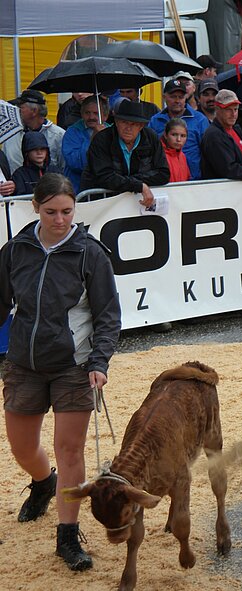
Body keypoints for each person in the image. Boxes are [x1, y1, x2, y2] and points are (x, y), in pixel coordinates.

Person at [0, 172, 121, 570]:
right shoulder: (15, 249)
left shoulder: (90, 253)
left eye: (67, 211)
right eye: (50, 211)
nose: (60, 220)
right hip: (23, 362)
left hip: (75, 365)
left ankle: (67, 535)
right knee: (21, 447)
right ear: (35, 207)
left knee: (70, 449)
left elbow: (107, 315)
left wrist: (100, 362)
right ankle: (43, 482)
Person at [81, 100, 171, 207]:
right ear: (116, 122)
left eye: (134, 124)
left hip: (135, 203)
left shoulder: (151, 138)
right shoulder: (102, 139)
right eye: (124, 122)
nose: (128, 128)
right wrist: (139, 185)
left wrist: (132, 183)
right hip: (102, 203)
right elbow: (104, 176)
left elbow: (163, 173)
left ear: (141, 126)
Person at [149, 77, 209, 180]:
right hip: (164, 181)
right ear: (164, 97)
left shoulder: (200, 120)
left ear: (186, 97)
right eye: (173, 96)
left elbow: (208, 152)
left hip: (194, 181)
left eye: (180, 97)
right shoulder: (155, 120)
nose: (177, 101)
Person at [5, 89, 65, 174]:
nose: (16, 110)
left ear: (34, 111)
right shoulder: (11, 133)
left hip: (47, 185)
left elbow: (64, 168)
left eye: (20, 107)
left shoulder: (58, 135)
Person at [61, 96, 108, 192]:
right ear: (82, 114)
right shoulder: (72, 132)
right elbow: (75, 163)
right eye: (87, 113)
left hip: (105, 189)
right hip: (78, 190)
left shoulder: (111, 131)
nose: (91, 117)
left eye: (96, 113)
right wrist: (93, 139)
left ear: (105, 116)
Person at [11, 131, 61, 195]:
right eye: (34, 149)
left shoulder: (56, 172)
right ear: (26, 153)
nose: (39, 153)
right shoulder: (19, 175)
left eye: (42, 149)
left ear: (47, 151)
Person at [159, 118, 190, 183]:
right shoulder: (158, 155)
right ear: (165, 135)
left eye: (183, 136)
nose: (178, 139)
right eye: (174, 135)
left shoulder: (182, 156)